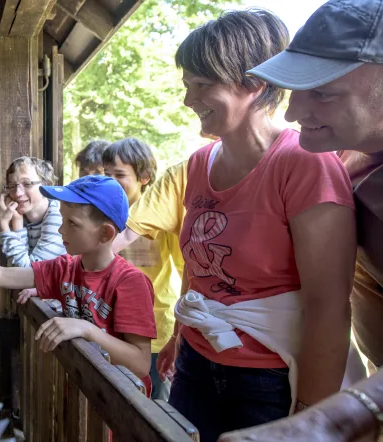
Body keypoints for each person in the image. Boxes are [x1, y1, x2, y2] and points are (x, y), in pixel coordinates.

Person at [154, 9, 356, 441]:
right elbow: (197, 265)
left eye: (203, 84)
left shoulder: (304, 163)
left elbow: (329, 306)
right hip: (196, 360)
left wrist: (309, 416)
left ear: (254, 83)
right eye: (187, 85)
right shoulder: (198, 164)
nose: (189, 100)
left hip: (268, 378)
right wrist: (179, 334)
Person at [220, 1, 383, 440]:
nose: (292, 114)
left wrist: (331, 416)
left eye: (323, 93)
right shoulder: (345, 155)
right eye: (295, 90)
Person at [0, 175, 157, 393]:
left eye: (72, 223)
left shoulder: (130, 282)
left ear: (105, 233)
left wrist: (87, 330)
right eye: (63, 219)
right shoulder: (64, 268)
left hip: (122, 403)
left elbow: (140, 364)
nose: (61, 230)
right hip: (85, 393)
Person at [102, 138, 180, 400]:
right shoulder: (102, 214)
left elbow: (187, 269)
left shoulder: (162, 216)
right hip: (112, 325)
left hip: (156, 328)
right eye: (106, 174)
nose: (111, 181)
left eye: (120, 174)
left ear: (144, 177)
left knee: (155, 404)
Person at [0, 157, 66, 267]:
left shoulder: (60, 216)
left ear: (46, 184)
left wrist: (3, 225)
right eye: (12, 185)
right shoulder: (16, 215)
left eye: (27, 184)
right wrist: (17, 224)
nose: (18, 193)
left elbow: (29, 273)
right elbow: (17, 273)